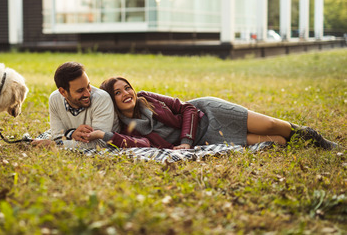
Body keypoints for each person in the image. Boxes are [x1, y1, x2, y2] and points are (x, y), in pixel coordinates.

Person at [86, 77, 339, 150]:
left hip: (208, 113)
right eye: (118, 92)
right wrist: (105, 135)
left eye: (126, 87)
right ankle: (300, 143)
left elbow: (188, 108)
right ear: (112, 100)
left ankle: (314, 138)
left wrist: (184, 142)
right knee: (277, 141)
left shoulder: (147, 98)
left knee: (272, 124)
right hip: (207, 138)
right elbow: (137, 143)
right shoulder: (125, 128)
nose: (126, 93)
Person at [31, 62, 118, 148]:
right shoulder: (55, 99)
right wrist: (72, 134)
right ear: (63, 92)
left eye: (88, 86)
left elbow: (100, 143)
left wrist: (57, 145)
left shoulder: (101, 99)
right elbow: (57, 137)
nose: (88, 94)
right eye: (80, 90)